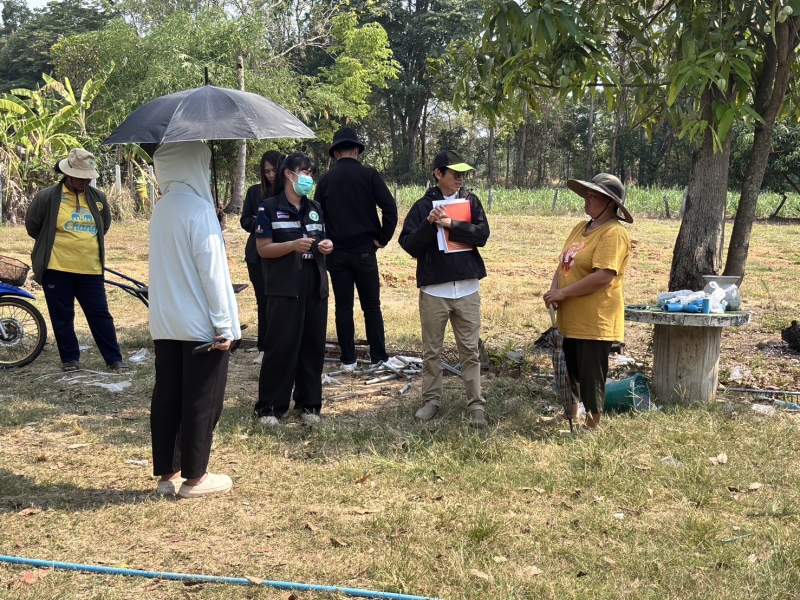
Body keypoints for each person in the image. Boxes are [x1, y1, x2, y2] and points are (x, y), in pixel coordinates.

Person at [148, 141, 242, 498]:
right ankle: (196, 478)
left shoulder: (161, 208)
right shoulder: (199, 211)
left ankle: (168, 474)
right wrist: (224, 325)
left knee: (168, 396)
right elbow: (212, 274)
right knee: (203, 399)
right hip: (201, 324)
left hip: (166, 320)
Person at [398, 150, 490, 428]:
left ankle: (476, 404)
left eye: (463, 174)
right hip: (435, 291)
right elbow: (409, 245)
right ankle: (431, 401)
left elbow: (482, 235)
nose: (460, 179)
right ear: (438, 174)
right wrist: (429, 224)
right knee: (432, 352)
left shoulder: (471, 201)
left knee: (470, 351)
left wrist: (452, 224)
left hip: (467, 288)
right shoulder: (422, 206)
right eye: (455, 173)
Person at [24, 148, 127, 373]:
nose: (85, 181)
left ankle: (114, 358)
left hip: (90, 269)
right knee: (62, 316)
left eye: (88, 177)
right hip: (56, 267)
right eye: (81, 177)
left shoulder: (98, 198)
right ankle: (70, 358)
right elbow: (33, 226)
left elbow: (104, 226)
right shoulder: (48, 197)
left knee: (100, 314)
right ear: (68, 174)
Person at [543, 173, 632, 431]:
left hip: (595, 317)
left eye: (594, 196)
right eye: (587, 194)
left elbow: (603, 276)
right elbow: (564, 263)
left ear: (611, 203)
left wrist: (563, 294)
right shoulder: (580, 228)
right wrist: (554, 290)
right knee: (569, 368)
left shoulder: (613, 233)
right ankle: (570, 414)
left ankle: (592, 425)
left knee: (591, 373)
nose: (587, 199)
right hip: (570, 315)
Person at [253, 153, 333, 427]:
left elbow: (322, 238)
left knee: (313, 345)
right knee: (282, 345)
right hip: (284, 285)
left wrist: (326, 246)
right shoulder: (269, 207)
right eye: (305, 173)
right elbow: (263, 249)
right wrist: (292, 246)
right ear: (289, 174)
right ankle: (270, 407)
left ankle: (309, 404)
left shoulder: (315, 207)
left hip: (314, 282)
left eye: (311, 173)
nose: (309, 178)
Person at [314, 127, 397, 370]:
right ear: (357, 151)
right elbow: (390, 209)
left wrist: (324, 242)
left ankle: (348, 360)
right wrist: (383, 238)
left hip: (336, 253)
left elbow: (316, 216)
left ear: (335, 153)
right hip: (365, 251)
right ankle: (378, 357)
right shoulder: (369, 175)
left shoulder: (326, 180)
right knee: (371, 306)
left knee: (343, 307)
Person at [240, 150, 284, 365]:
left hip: (282, 253)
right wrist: (263, 221)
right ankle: (263, 347)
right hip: (257, 255)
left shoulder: (289, 193)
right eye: (266, 171)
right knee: (263, 301)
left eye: (274, 170)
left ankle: (282, 345)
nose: (271, 175)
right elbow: (245, 220)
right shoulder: (254, 192)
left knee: (281, 302)